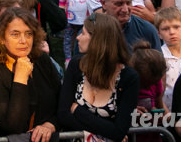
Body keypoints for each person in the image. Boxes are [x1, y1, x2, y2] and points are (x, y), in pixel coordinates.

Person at [0, 7, 60, 139]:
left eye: (28, 34)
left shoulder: (41, 58)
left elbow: (62, 103)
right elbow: (12, 126)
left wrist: (50, 125)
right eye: (15, 34)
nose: (23, 41)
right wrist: (20, 78)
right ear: (2, 38)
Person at [57, 12, 138, 141]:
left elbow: (118, 131)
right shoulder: (76, 65)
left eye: (83, 33)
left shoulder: (129, 78)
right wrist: (97, 134)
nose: (78, 38)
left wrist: (77, 110)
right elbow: (63, 114)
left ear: (97, 40)